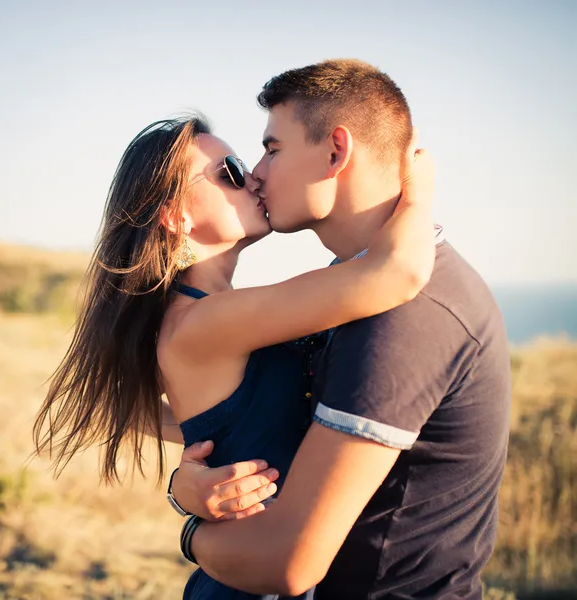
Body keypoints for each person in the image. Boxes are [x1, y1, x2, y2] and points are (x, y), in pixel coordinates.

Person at [31, 105, 435, 598]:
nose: (254, 181)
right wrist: (417, 188)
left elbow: (198, 412)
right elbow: (398, 274)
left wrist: (200, 456)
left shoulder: (206, 315)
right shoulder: (205, 322)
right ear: (176, 216)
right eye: (231, 174)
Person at [170, 59, 511, 600]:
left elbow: (290, 562)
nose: (256, 173)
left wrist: (192, 531)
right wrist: (188, 484)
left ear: (335, 152)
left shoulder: (401, 314)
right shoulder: (349, 289)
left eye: (271, 148)